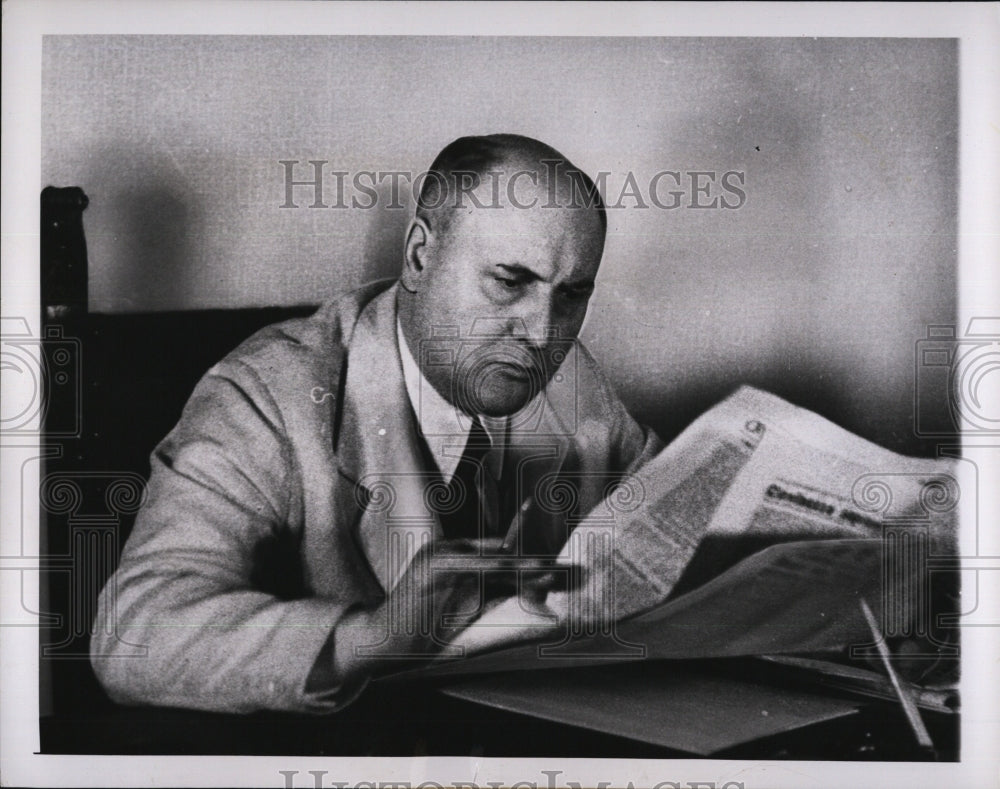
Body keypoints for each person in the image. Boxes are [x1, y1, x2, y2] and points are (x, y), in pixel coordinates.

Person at [90, 134, 663, 714]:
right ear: (420, 256)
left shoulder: (567, 379)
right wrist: (373, 638)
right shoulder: (268, 394)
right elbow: (134, 636)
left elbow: (672, 517)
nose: (542, 333)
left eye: (572, 295)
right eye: (510, 282)